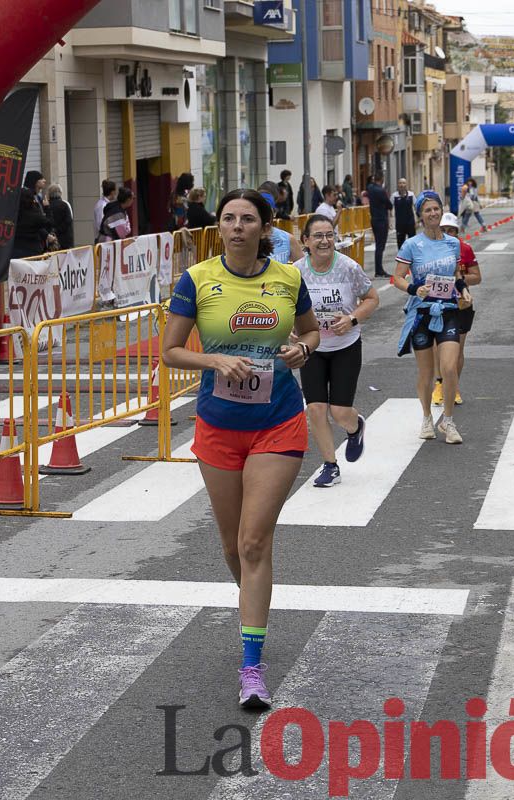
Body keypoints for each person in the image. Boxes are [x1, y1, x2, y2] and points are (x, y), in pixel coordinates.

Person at [162, 188, 319, 709]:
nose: (235, 227)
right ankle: (253, 599)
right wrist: (214, 362)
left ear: (265, 229)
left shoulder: (288, 278)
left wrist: (301, 349)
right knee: (233, 548)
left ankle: (251, 665)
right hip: (218, 427)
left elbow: (311, 334)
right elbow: (170, 352)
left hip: (278, 422)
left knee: (254, 542)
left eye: (247, 219)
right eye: (228, 219)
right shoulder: (198, 280)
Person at [295, 214, 379, 487]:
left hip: (345, 345)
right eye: (318, 236)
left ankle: (356, 427)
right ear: (305, 241)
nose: (325, 241)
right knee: (316, 409)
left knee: (340, 412)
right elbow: (283, 306)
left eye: (329, 234)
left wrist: (351, 318)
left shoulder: (348, 267)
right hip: (313, 347)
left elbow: (372, 298)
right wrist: (290, 332)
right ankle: (330, 465)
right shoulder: (295, 272)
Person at [394, 191, 466, 444]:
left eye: (436, 209)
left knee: (448, 367)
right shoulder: (412, 245)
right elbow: (398, 278)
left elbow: (457, 272)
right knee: (426, 373)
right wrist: (415, 289)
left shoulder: (453, 243)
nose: (433, 214)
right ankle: (426, 418)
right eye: (427, 210)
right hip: (422, 313)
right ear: (420, 216)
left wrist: (463, 288)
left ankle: (448, 420)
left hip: (447, 311)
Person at [430, 212, 480, 407]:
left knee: (457, 348)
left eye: (451, 230)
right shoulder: (430, 249)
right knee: (437, 347)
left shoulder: (465, 249)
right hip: (438, 305)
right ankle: (439, 385)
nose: (448, 233)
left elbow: (477, 276)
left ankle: (454, 386)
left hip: (461, 304)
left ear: (457, 231)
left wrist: (457, 281)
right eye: (444, 230)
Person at [257, 181, 300, 263]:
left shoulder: (287, 239)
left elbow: (303, 270)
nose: (263, 215)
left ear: (274, 212)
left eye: (267, 210)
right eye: (259, 210)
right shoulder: (245, 238)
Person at [12, 186, 55, 258]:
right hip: (32, 251)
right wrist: (47, 207)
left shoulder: (13, 214)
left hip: (15, 249)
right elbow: (50, 223)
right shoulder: (35, 215)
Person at [367, 173, 393, 278]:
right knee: (380, 246)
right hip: (381, 219)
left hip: (374, 218)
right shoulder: (381, 191)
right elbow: (388, 204)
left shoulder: (371, 188)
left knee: (378, 245)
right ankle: (379, 270)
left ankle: (379, 269)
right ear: (382, 179)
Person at [45, 184, 74, 250]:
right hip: (65, 239)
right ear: (60, 193)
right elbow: (68, 220)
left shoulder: (47, 205)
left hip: (51, 239)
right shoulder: (64, 205)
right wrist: (59, 229)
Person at [393, 177, 417, 249]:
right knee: (400, 244)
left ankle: (412, 258)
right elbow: (389, 208)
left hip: (410, 222)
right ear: (398, 185)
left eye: (403, 183)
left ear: (406, 185)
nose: (402, 185)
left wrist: (418, 219)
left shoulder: (411, 195)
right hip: (399, 223)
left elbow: (416, 207)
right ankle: (401, 258)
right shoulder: (394, 196)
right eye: (400, 183)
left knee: (412, 242)